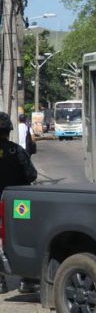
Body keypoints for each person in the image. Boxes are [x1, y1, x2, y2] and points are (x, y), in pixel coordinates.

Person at [0, 112, 38, 294]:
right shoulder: (17, 151)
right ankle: (27, 281)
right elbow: (32, 175)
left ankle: (1, 282)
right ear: (8, 131)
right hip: (17, 204)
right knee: (24, 237)